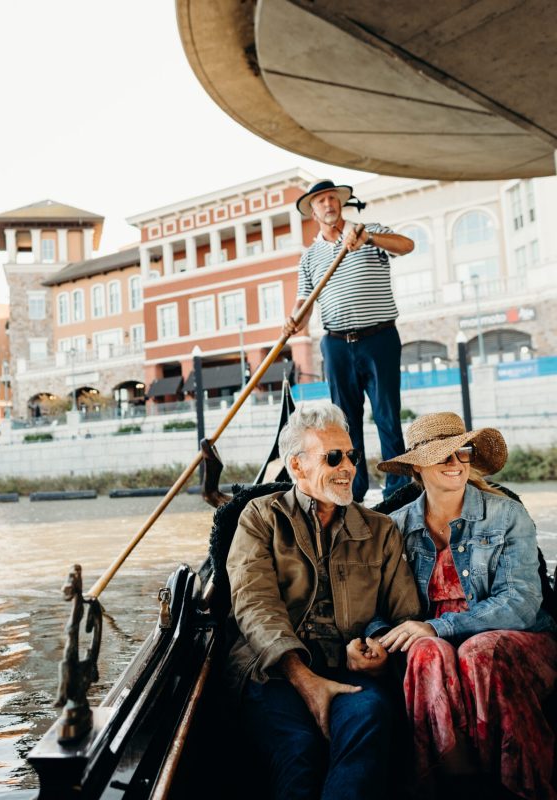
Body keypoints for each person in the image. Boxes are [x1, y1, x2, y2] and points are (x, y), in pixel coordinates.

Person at [227, 401, 421, 800]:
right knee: (298, 751)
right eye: (333, 457)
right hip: (273, 670)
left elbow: (404, 614)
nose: (348, 467)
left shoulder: (381, 530)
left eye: (352, 455)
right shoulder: (260, 517)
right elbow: (254, 603)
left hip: (349, 672)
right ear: (296, 467)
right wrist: (304, 679)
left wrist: (378, 644)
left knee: (367, 721)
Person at [376, 412, 557, 798]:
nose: (456, 463)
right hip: (433, 646)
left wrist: (440, 626)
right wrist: (377, 635)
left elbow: (522, 603)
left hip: (514, 640)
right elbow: (372, 602)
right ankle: (457, 785)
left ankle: (520, 786)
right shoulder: (392, 528)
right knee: (425, 653)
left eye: (463, 452)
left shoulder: (507, 515)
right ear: (417, 468)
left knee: (478, 651)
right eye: (443, 456)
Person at [283, 179, 414, 502]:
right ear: (313, 211)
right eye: (320, 201)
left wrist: (368, 237)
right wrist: (294, 317)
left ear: (339, 203)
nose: (327, 204)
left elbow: (406, 245)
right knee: (346, 423)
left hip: (379, 336)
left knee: (386, 415)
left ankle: (398, 492)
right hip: (337, 343)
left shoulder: (371, 232)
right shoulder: (310, 257)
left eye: (332, 198)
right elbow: (305, 302)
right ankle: (352, 494)